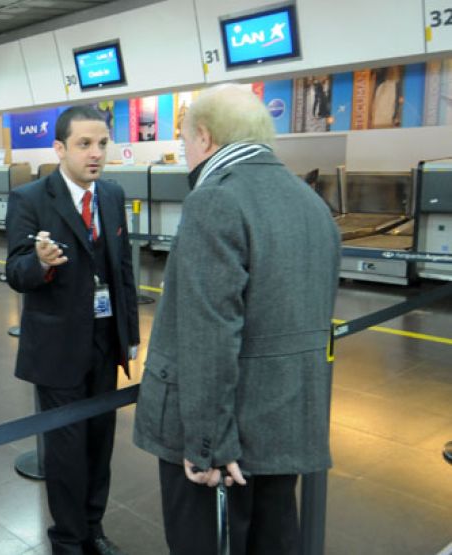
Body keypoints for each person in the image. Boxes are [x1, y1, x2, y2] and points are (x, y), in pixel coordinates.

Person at [132, 86, 340, 555]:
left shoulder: (216, 200)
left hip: (225, 444)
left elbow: (210, 332)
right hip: (285, 426)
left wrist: (206, 445)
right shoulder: (311, 204)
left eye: (185, 141)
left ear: (204, 137)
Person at [5, 106, 140, 555]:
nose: (96, 153)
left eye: (102, 143)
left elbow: (122, 270)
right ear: (60, 148)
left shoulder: (113, 195)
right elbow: (14, 270)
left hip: (105, 342)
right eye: (84, 144)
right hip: (58, 347)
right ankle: (67, 538)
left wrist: (130, 334)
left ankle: (93, 526)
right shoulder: (31, 199)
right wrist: (38, 264)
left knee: (100, 441)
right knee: (65, 451)